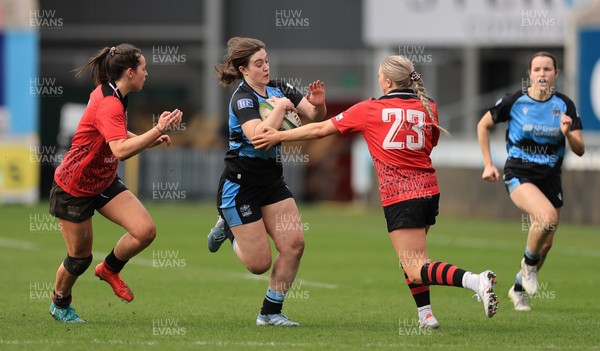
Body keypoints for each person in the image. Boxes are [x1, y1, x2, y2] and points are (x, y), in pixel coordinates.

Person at [252, 55, 498, 328]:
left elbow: (322, 129)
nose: (378, 78)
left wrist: (279, 136)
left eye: (380, 74)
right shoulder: (429, 107)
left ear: (388, 81)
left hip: (402, 196)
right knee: (412, 260)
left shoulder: (370, 109)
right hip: (429, 191)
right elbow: (429, 145)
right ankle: (425, 314)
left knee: (416, 267)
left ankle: (476, 281)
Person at [48, 43, 183, 323]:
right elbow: (120, 149)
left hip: (103, 180)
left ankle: (109, 269)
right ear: (130, 72)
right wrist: (156, 129)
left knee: (144, 231)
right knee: (79, 258)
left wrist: (150, 138)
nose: (148, 73)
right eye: (144, 68)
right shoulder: (109, 102)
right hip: (74, 187)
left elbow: (115, 134)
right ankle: (60, 303)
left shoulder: (113, 94)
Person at [207, 37, 327, 326]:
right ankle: (229, 229)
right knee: (258, 264)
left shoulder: (281, 88)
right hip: (240, 185)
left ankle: (270, 313)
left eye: (267, 61)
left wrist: (319, 105)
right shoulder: (242, 98)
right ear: (243, 69)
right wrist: (281, 108)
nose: (265, 67)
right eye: (258, 64)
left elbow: (312, 115)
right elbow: (258, 137)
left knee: (294, 244)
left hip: (272, 181)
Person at [477, 51, 585, 312]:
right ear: (530, 74)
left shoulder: (565, 106)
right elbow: (483, 125)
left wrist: (567, 133)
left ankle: (517, 288)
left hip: (550, 178)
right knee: (546, 218)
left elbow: (580, 149)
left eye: (548, 69)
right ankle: (527, 268)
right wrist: (488, 163)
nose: (542, 74)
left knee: (545, 245)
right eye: (537, 69)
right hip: (519, 173)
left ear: (556, 74)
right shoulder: (515, 101)